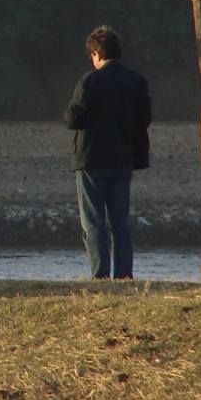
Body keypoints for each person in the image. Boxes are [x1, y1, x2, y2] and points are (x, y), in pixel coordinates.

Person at [64, 24, 151, 280]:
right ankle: (124, 275)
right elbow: (144, 119)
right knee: (120, 222)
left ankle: (99, 275)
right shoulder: (137, 81)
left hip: (92, 159)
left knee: (93, 221)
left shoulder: (89, 81)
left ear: (96, 54)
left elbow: (74, 120)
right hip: (124, 159)